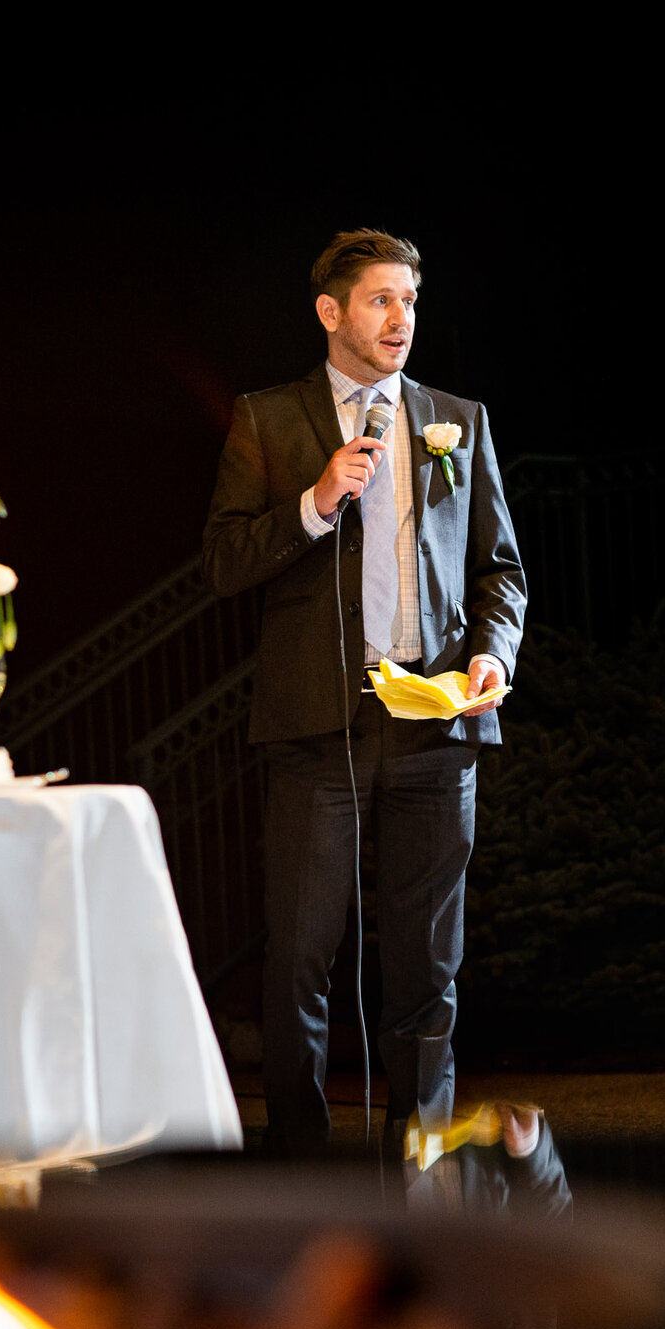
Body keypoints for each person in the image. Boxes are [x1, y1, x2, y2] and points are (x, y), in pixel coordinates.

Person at [202, 229, 528, 1156]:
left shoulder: (456, 416)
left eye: (410, 303)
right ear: (331, 311)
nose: (400, 320)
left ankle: (420, 1152)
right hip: (318, 728)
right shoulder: (268, 420)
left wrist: (493, 657)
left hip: (436, 725)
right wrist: (312, 503)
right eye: (381, 300)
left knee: (428, 961)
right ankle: (300, 1157)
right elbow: (223, 562)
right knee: (303, 956)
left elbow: (500, 569)